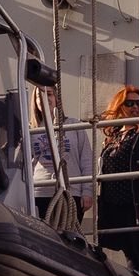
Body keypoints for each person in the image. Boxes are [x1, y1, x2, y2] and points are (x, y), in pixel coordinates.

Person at [96, 85, 139, 271]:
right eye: (129, 103)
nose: (135, 107)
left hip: (135, 198)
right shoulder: (115, 135)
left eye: (138, 103)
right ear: (120, 107)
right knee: (127, 247)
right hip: (113, 200)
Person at [29, 85, 93, 220]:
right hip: (39, 192)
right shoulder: (30, 129)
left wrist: (87, 191)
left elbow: (86, 159)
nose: (45, 98)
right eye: (39, 96)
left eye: (49, 94)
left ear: (57, 98)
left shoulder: (73, 125)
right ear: (35, 102)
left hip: (70, 191)